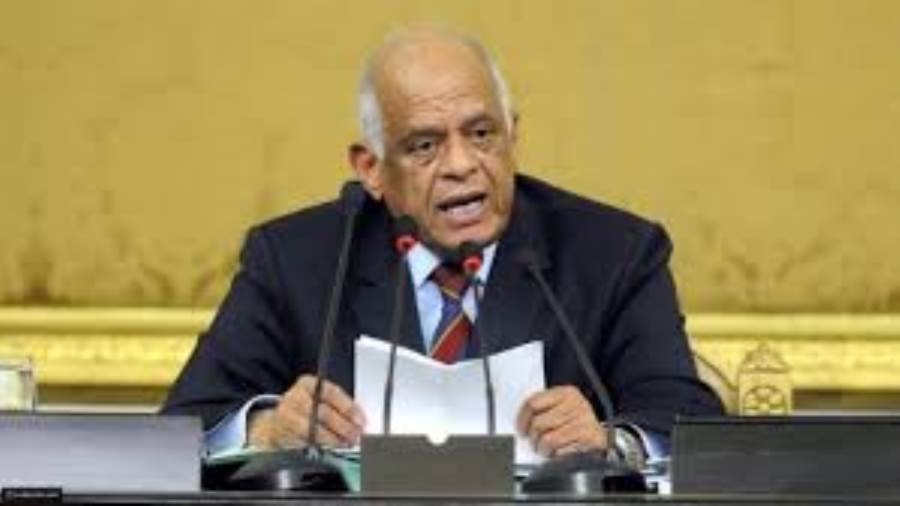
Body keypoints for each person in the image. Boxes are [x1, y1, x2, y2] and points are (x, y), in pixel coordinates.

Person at [162, 28, 723, 463]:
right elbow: (181, 428)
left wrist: (612, 441)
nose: (460, 165)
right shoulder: (296, 260)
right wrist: (266, 429)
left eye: (481, 134)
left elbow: (691, 425)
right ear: (371, 169)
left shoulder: (614, 254)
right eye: (424, 146)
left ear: (512, 136)